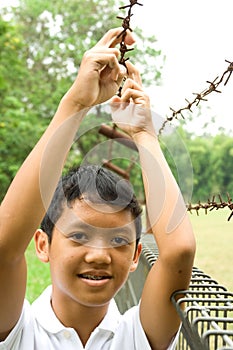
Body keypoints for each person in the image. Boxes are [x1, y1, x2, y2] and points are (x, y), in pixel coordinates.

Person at [0, 27, 196, 350]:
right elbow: (5, 245)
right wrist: (76, 103)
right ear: (43, 245)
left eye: (118, 240)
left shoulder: (136, 335)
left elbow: (179, 252)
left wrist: (145, 133)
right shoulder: (19, 331)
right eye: (78, 235)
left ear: (136, 255)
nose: (99, 255)